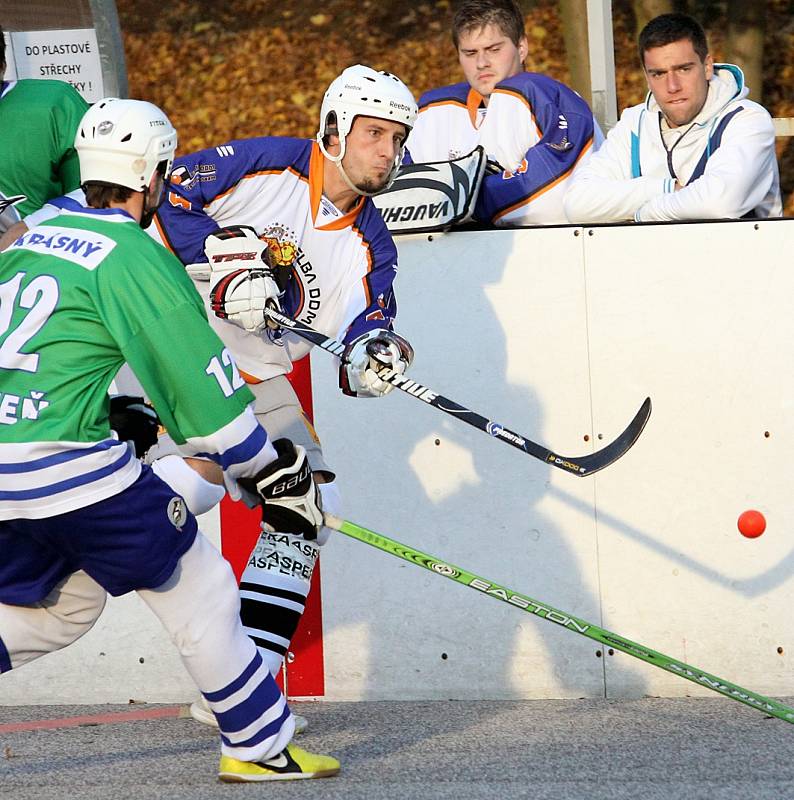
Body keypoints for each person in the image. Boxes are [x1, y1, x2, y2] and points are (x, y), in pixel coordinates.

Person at [0, 97, 339, 782]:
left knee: (61, 606)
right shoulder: (133, 254)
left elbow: (44, 353)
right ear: (153, 174)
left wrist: (113, 408)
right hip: (65, 473)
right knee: (203, 585)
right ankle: (258, 746)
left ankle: (257, 741)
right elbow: (204, 397)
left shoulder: (34, 232)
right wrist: (270, 468)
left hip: (10, 469)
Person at [148, 64, 418, 727]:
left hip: (256, 378)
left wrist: (375, 354)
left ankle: (247, 678)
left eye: (396, 138)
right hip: (174, 346)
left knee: (311, 500)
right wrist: (228, 261)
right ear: (332, 129)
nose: (385, 151)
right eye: (373, 133)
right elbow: (170, 192)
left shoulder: (372, 243)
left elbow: (368, 323)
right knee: (192, 472)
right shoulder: (269, 164)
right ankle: (115, 524)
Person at [563, 12, 782, 223]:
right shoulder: (634, 123)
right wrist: (666, 188)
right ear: (647, 77)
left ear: (707, 67)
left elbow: (719, 203)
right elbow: (578, 204)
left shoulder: (747, 119)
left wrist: (644, 214)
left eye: (684, 69)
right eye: (658, 74)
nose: (672, 86)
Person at [404, 0, 599, 226]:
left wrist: (455, 201)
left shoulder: (551, 99)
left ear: (522, 48)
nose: (481, 63)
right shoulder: (433, 111)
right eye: (469, 53)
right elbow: (401, 194)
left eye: (493, 49)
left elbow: (551, 197)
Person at [0, 25, 89, 234]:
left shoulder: (52, 106)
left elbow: (97, 196)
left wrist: (30, 226)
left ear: (3, 66)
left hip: (35, 261)